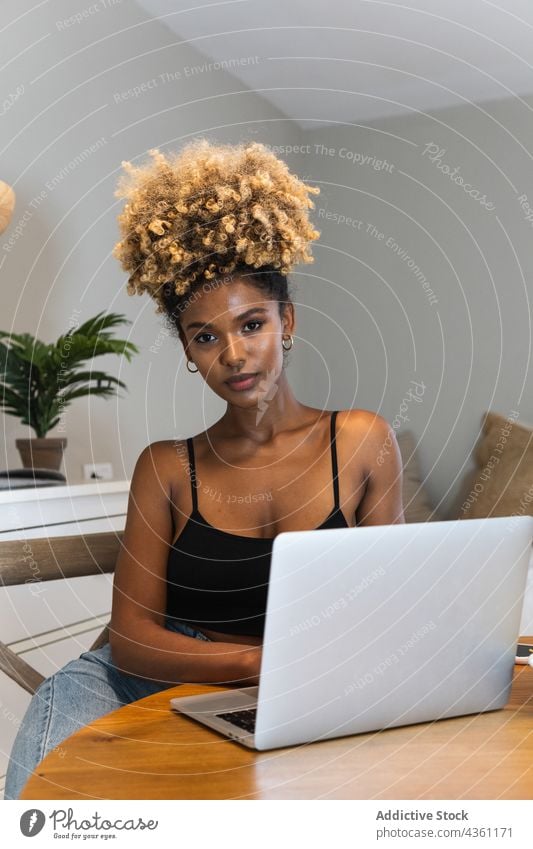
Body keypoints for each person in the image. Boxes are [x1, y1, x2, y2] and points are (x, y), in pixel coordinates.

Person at [4, 138, 404, 799]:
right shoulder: (165, 468)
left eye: (251, 324)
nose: (234, 354)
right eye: (205, 335)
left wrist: (302, 672)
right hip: (138, 679)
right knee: (43, 806)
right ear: (189, 350)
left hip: (296, 690)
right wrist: (261, 662)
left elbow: (385, 605)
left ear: (288, 321)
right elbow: (130, 641)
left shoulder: (361, 441)